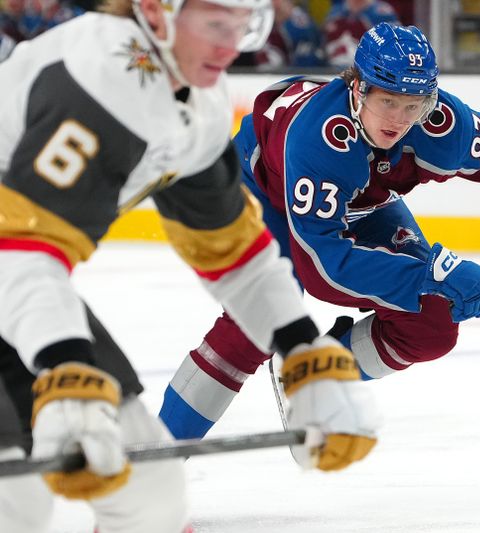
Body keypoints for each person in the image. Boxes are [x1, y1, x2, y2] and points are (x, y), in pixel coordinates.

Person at [159, 22, 480, 441]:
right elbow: (322, 267)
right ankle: (153, 461)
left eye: (414, 104)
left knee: (432, 322)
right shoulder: (319, 138)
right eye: (387, 101)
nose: (399, 119)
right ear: (357, 88)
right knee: (257, 322)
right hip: (255, 191)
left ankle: (316, 374)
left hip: (356, 202)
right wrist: (428, 273)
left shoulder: (438, 124)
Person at [0, 0, 379, 530]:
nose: (230, 44)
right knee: (17, 500)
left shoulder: (196, 100)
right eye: (215, 24)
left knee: (150, 498)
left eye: (242, 25)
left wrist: (302, 352)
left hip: (19, 289)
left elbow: (235, 253)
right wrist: (64, 364)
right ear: (156, 11)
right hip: (17, 276)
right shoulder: (94, 78)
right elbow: (21, 248)